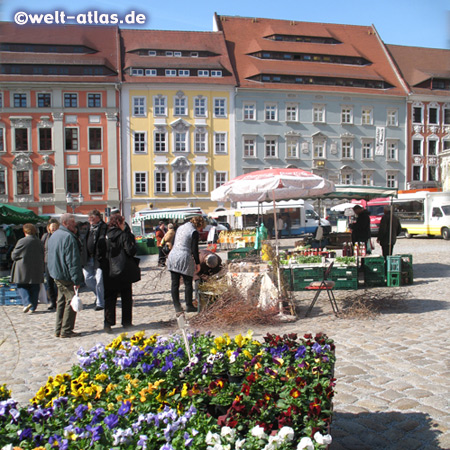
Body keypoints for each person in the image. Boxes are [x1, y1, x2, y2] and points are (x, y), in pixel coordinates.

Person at [48, 213, 84, 338]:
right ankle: (66, 330)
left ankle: (58, 329)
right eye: (72, 223)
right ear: (65, 223)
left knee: (61, 300)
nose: (75, 225)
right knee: (71, 300)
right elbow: (72, 260)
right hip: (65, 274)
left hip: (56, 273)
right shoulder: (68, 237)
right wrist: (76, 278)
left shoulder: (55, 235)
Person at [103, 214, 138, 333]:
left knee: (110, 297)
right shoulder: (123, 235)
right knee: (126, 296)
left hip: (109, 269)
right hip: (123, 269)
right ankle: (126, 322)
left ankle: (108, 323)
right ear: (118, 223)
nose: (124, 225)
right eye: (123, 223)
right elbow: (130, 251)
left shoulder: (106, 235)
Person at [166, 215, 204, 315]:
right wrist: (197, 263)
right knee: (188, 282)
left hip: (173, 255)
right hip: (184, 257)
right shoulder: (193, 231)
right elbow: (194, 249)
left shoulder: (180, 227)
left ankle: (177, 307)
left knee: (175, 283)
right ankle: (189, 305)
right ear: (199, 225)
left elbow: (174, 242)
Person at [10, 223, 45, 314]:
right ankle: (33, 306)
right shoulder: (39, 241)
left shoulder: (22, 241)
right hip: (37, 267)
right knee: (35, 287)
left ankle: (27, 303)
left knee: (21, 285)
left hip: (23, 268)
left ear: (25, 231)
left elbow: (14, 255)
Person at [81, 210, 107, 311]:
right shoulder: (89, 228)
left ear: (98, 217)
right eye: (89, 218)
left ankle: (100, 302)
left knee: (99, 280)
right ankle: (100, 295)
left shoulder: (104, 227)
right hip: (88, 258)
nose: (89, 220)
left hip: (99, 258)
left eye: (91, 218)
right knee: (88, 279)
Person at [41, 219, 60, 311]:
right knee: (49, 283)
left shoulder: (60, 236)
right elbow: (42, 249)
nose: (53, 229)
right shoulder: (45, 236)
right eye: (52, 227)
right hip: (47, 262)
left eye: (55, 227)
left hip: (58, 262)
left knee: (58, 283)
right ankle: (52, 301)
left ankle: (59, 301)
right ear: (48, 227)